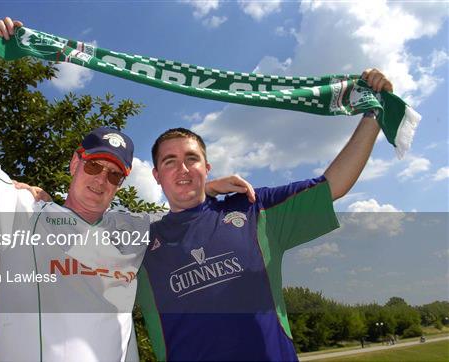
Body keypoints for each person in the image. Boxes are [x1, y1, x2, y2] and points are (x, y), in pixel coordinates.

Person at [0, 17, 254, 362]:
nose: (101, 179)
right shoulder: (23, 214)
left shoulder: (136, 229)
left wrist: (205, 189)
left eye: (114, 175)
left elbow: (181, 215)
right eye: (93, 166)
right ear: (75, 163)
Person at [133, 69, 393, 361]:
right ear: (156, 175)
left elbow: (332, 185)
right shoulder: (140, 243)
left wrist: (373, 114)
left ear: (206, 168)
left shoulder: (253, 207)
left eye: (192, 159)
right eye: (170, 161)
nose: (183, 168)